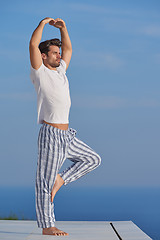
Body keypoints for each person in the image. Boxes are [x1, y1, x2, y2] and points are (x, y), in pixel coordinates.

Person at [29, 17, 101, 236]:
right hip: (51, 134)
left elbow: (68, 48)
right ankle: (47, 226)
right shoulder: (40, 72)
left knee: (93, 159)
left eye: (58, 54)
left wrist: (64, 29)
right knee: (44, 182)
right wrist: (42, 24)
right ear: (43, 56)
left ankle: (61, 179)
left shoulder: (61, 70)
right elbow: (33, 45)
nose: (59, 55)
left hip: (67, 135)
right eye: (54, 53)